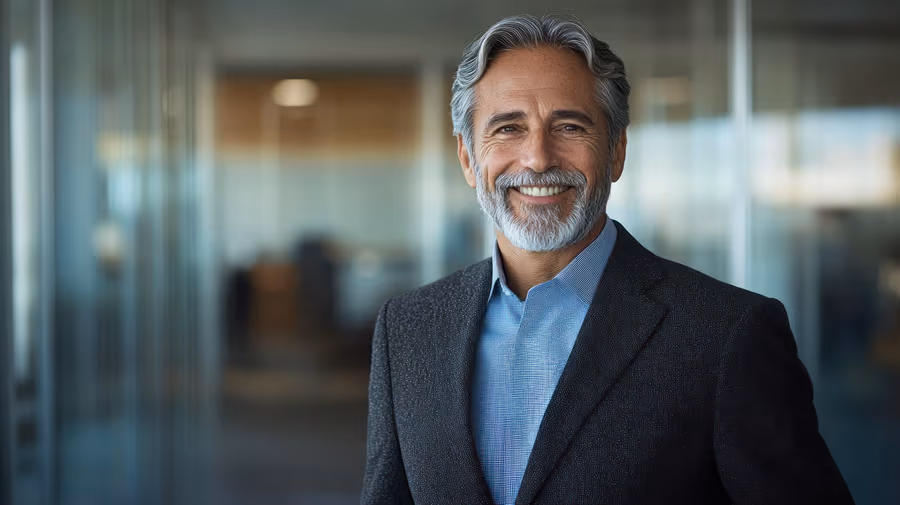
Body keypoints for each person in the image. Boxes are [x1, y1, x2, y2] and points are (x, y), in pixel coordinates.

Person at [362, 13, 854, 505]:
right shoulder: (408, 329)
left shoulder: (727, 335)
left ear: (616, 151)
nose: (537, 158)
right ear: (469, 159)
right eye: (508, 128)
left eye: (570, 126)